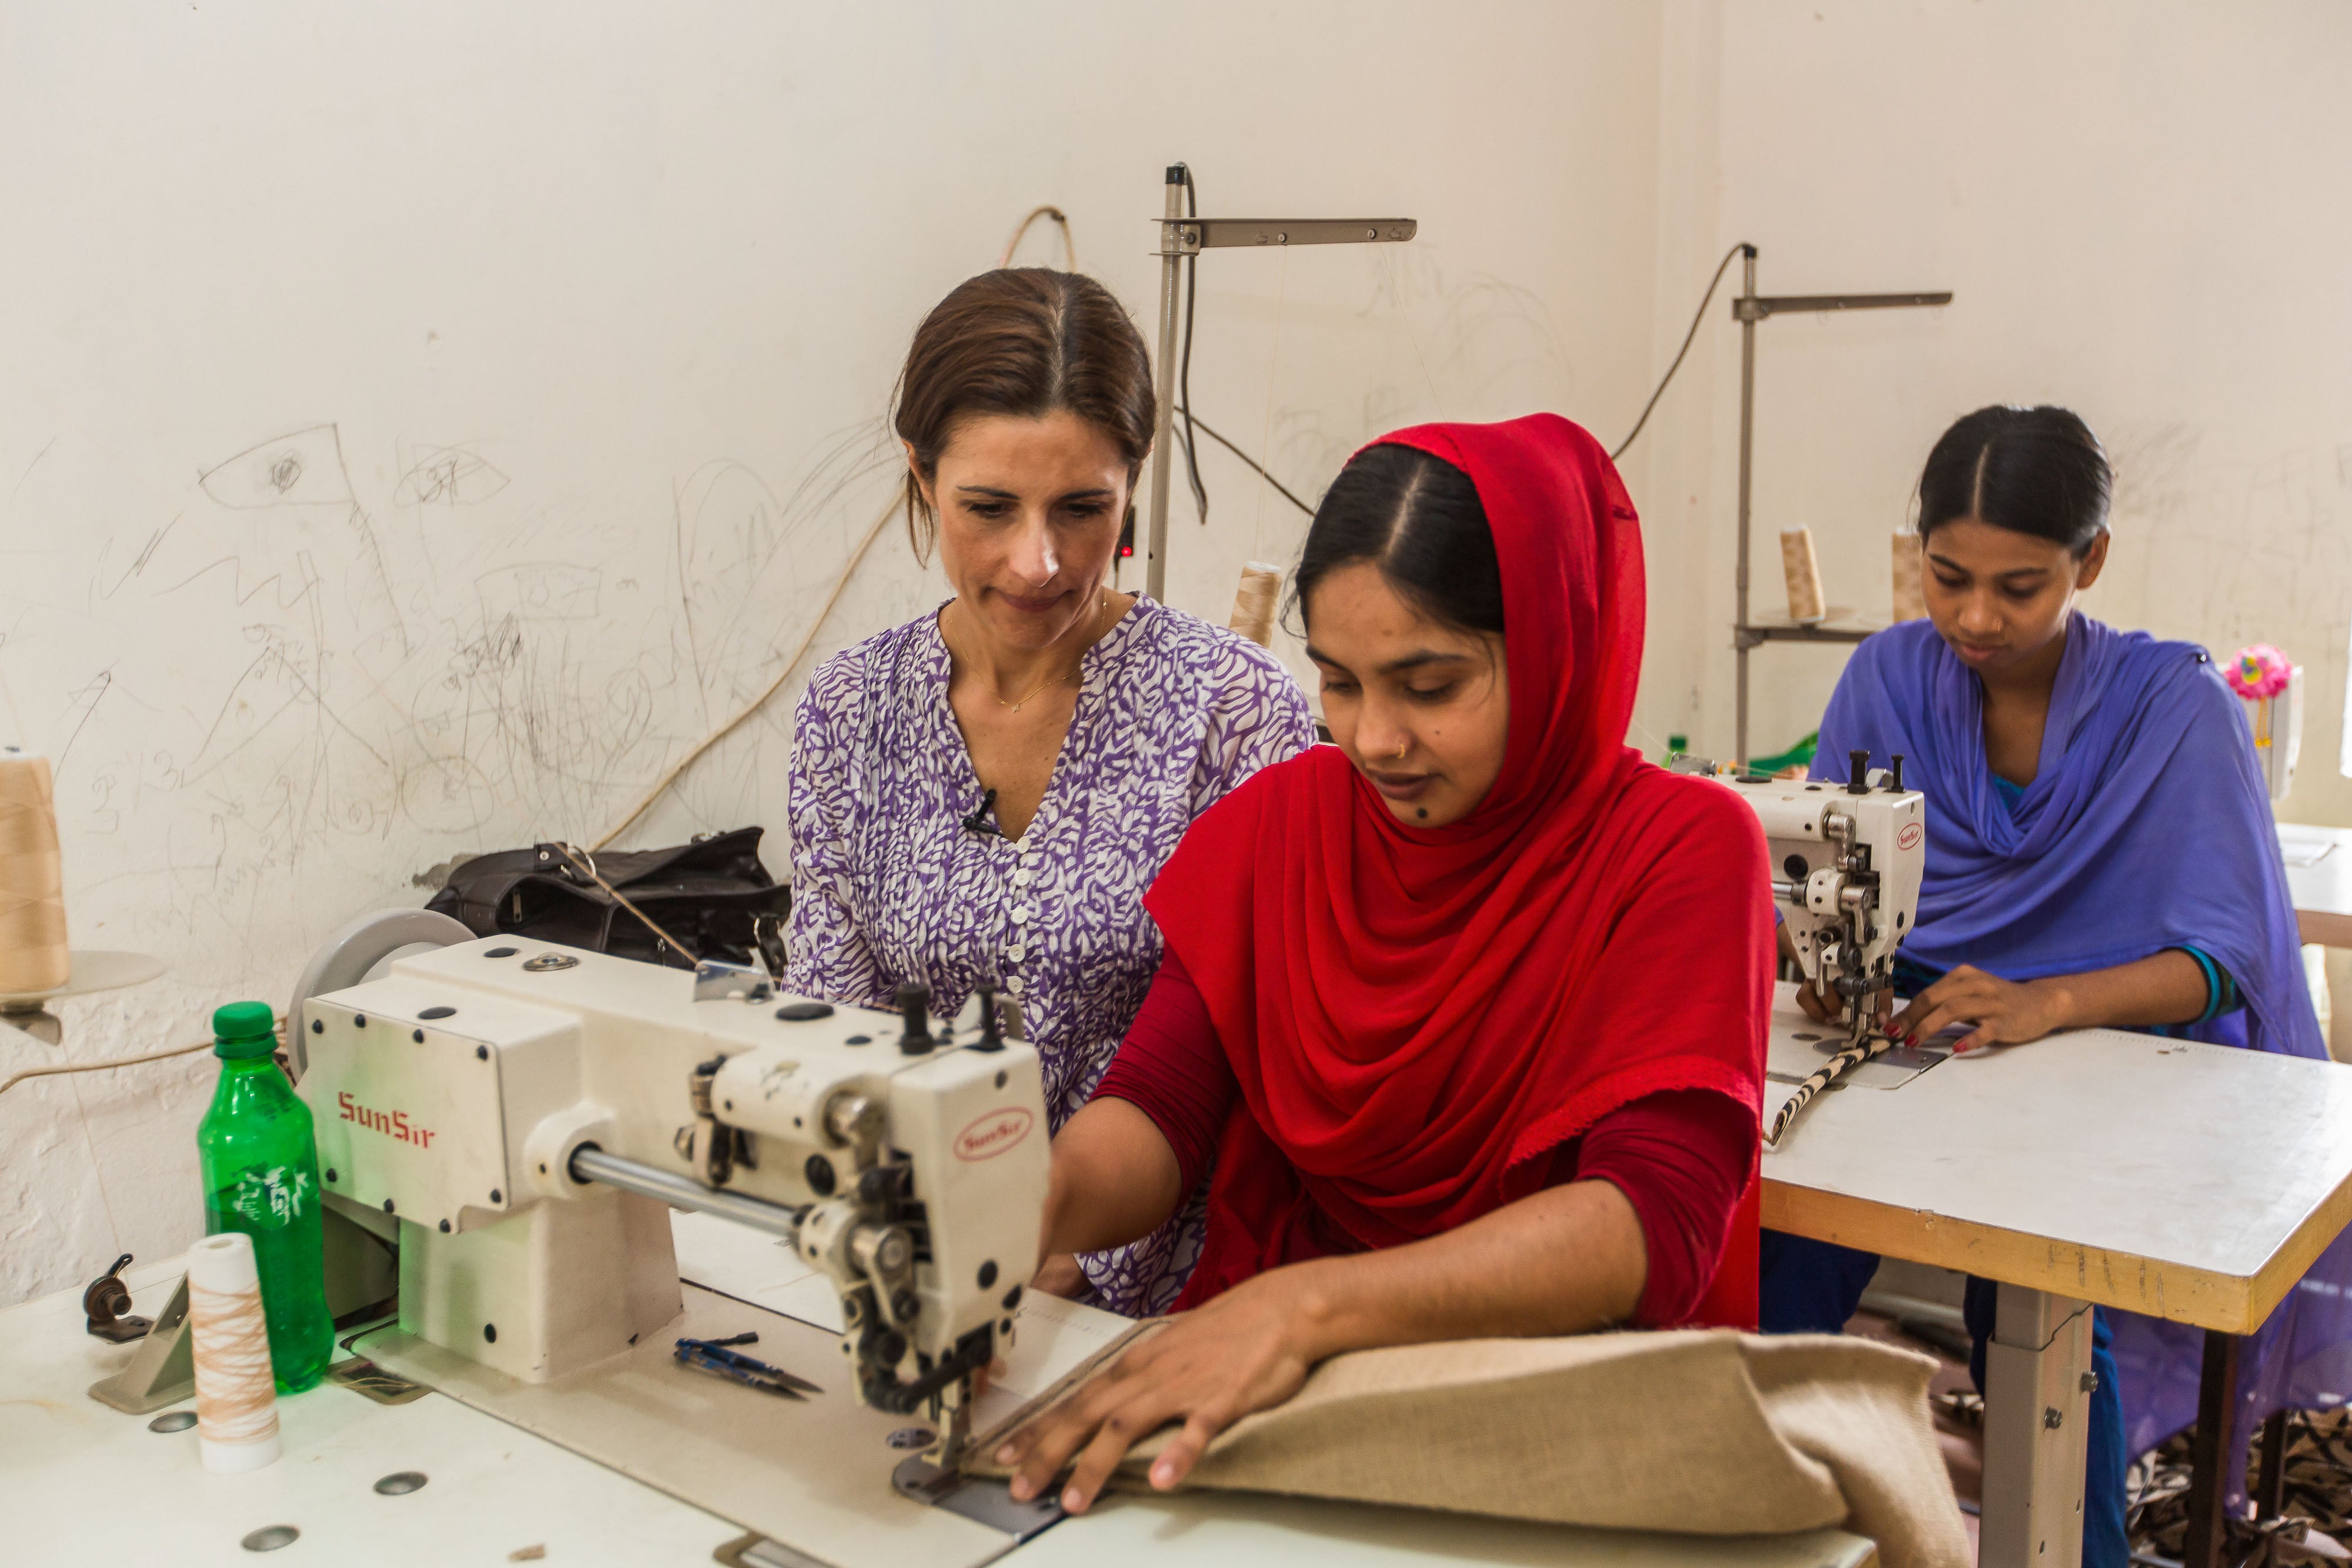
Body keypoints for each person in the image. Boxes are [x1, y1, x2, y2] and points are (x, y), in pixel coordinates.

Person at [993, 414, 1774, 1514]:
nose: (1372, 740)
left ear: (1558, 645)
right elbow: (1158, 1110)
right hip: (1276, 1395)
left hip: (1548, 1416)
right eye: (1341, 682)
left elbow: (1649, 1225)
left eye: (1430, 685)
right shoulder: (1280, 824)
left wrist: (1305, 1310)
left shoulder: (1679, 851)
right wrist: (1007, 1211)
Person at [1758, 404, 2348, 1568]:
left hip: (2104, 1051)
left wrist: (2047, 999)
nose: (1974, 617)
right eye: (1945, 576)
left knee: (2037, 1308)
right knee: (1779, 1250)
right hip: (1933, 1029)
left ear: (2089, 562)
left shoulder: (2174, 706)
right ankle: (1760, 1500)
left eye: (2017, 587)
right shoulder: (1884, 676)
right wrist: (1830, 970)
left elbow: (2218, 958)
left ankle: (2071, 1546)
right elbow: (1831, 867)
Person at [785, 269, 1314, 1315]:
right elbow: (829, 1030)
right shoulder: (852, 711)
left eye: (1084, 509)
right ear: (921, 475)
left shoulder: (1234, 713)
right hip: (918, 1270)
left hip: (1176, 1298)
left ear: (1134, 480)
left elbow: (1261, 1062)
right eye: (989, 508)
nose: (1039, 562)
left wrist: (1081, 1249)